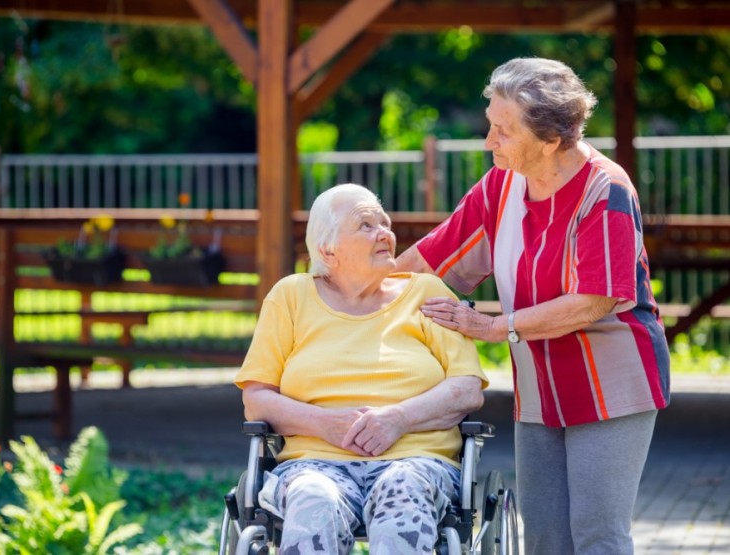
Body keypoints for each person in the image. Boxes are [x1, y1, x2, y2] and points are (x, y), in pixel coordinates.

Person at [396, 57, 670, 555]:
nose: (488, 142)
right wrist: (344, 287)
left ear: (549, 140)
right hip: (540, 386)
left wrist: (494, 326)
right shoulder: (501, 185)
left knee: (596, 535)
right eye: (490, 126)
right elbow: (428, 260)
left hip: (609, 382)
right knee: (544, 538)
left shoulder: (605, 189)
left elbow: (593, 300)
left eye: (503, 131)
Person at [234, 183, 489, 554]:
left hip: (416, 461)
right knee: (313, 497)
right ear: (328, 249)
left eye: (384, 223)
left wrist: (398, 419)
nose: (384, 232)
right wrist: (325, 424)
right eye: (366, 225)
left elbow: (467, 388)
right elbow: (256, 399)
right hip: (314, 464)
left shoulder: (427, 293)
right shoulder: (290, 296)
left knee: (403, 487)